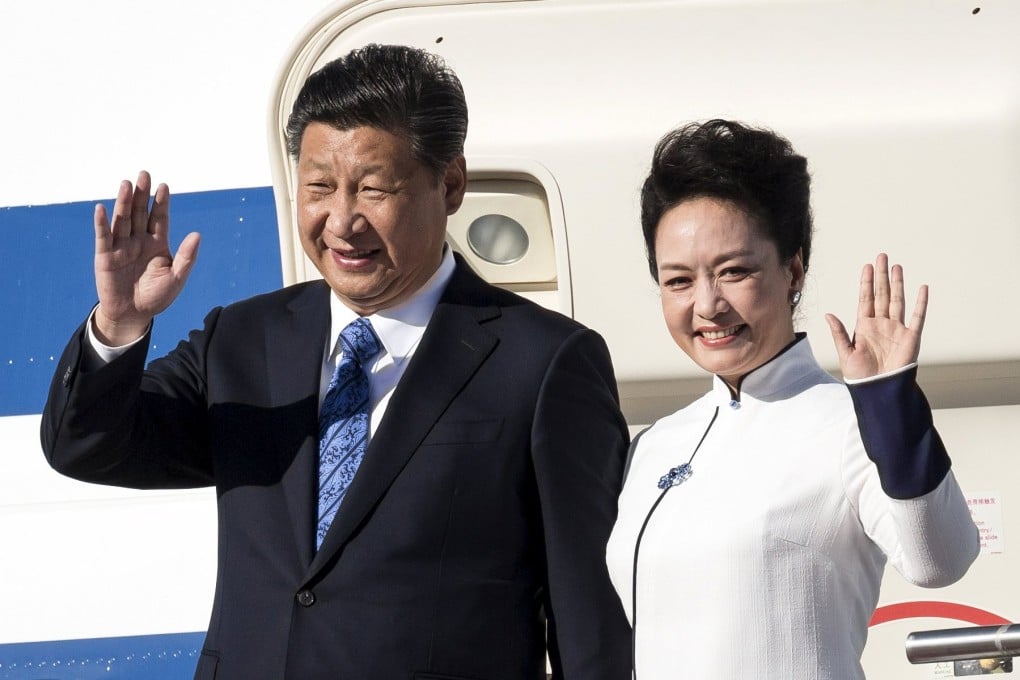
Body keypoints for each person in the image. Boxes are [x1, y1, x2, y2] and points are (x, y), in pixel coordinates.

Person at [41, 44, 632, 679]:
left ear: (452, 184)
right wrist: (121, 326)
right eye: (319, 187)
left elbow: (588, 620)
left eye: (374, 189)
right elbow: (88, 447)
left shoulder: (543, 364)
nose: (342, 221)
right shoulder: (244, 339)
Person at [605, 119, 979, 679]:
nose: (706, 305)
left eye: (734, 271)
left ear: (793, 269)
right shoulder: (655, 445)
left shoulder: (851, 422)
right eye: (678, 281)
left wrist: (887, 402)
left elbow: (939, 560)